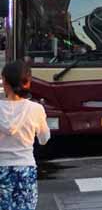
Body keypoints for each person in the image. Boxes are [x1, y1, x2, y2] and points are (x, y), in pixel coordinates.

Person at [0, 61, 50, 210]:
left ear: (4, 81)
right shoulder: (36, 109)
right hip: (25, 168)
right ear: (27, 82)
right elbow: (44, 139)